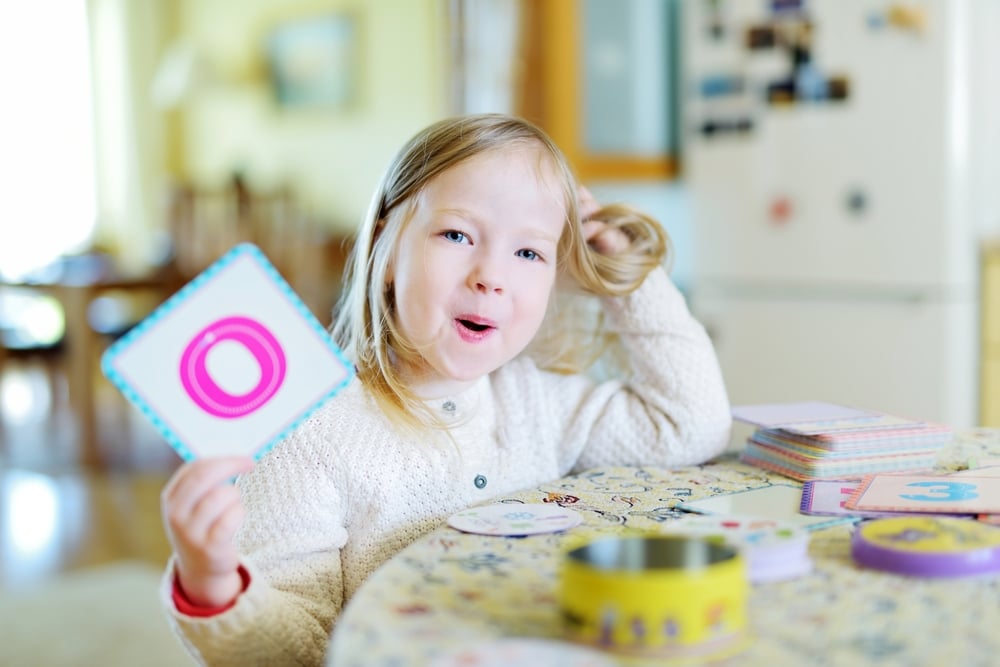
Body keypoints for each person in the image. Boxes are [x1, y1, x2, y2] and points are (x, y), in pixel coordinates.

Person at [159, 113, 731, 666]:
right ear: (385, 250)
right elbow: (302, 649)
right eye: (457, 234)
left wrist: (629, 275)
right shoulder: (307, 429)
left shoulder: (538, 402)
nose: (491, 274)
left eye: (528, 251)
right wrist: (214, 588)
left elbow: (690, 424)